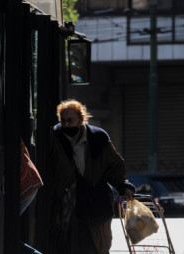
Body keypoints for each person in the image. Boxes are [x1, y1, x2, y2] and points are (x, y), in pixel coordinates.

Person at [48, 99, 135, 254]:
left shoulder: (98, 138)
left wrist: (123, 186)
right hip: (66, 204)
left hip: (95, 203)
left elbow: (113, 166)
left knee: (97, 245)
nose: (67, 125)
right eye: (63, 121)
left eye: (70, 120)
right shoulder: (54, 138)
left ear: (81, 119)